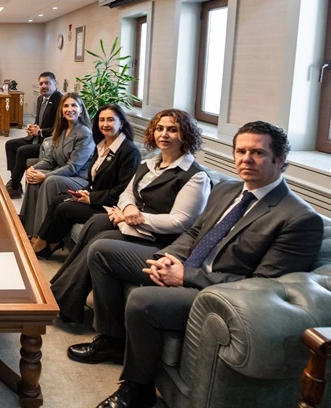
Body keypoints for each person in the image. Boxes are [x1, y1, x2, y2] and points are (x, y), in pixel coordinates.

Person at [70, 121, 324, 408]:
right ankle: (113, 341)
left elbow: (264, 286)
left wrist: (185, 276)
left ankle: (138, 389)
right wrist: (169, 258)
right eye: (241, 151)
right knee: (103, 250)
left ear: (280, 160)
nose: (246, 159)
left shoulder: (298, 218)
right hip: (185, 265)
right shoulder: (227, 190)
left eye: (258, 153)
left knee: (142, 300)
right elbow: (193, 233)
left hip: (216, 293)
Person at [50, 109, 211, 323]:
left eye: (173, 130)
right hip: (135, 227)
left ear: (186, 135)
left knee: (100, 242)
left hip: (159, 239)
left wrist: (133, 218)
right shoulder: (149, 164)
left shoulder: (195, 176)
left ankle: (62, 300)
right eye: (160, 129)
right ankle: (60, 292)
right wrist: (127, 209)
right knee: (96, 222)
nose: (164, 134)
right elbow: (127, 193)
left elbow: (180, 221)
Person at [30, 104, 141, 259]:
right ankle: (44, 241)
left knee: (64, 208)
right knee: (58, 199)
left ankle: (46, 244)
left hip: (110, 205)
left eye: (110, 120)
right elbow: (95, 179)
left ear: (121, 123)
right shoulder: (101, 145)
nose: (105, 124)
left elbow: (123, 190)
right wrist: (85, 191)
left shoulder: (129, 151)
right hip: (95, 195)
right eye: (102, 120)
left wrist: (91, 198)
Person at [19, 92, 95, 237]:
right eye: (66, 106)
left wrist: (45, 176)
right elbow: (50, 159)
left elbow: (73, 167)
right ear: (61, 110)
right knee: (34, 177)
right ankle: (27, 227)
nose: (69, 109)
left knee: (50, 181)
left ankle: (42, 235)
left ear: (81, 110)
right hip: (61, 173)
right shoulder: (61, 130)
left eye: (74, 105)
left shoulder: (85, 134)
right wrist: (33, 169)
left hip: (79, 179)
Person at [5, 72, 62, 198]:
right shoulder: (40, 98)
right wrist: (33, 127)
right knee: (10, 144)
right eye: (41, 83)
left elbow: (59, 128)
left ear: (55, 84)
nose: (43, 86)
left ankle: (14, 186)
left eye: (47, 83)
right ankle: (15, 180)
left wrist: (40, 132)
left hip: (49, 143)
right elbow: (39, 121)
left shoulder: (60, 101)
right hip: (36, 138)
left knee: (22, 151)